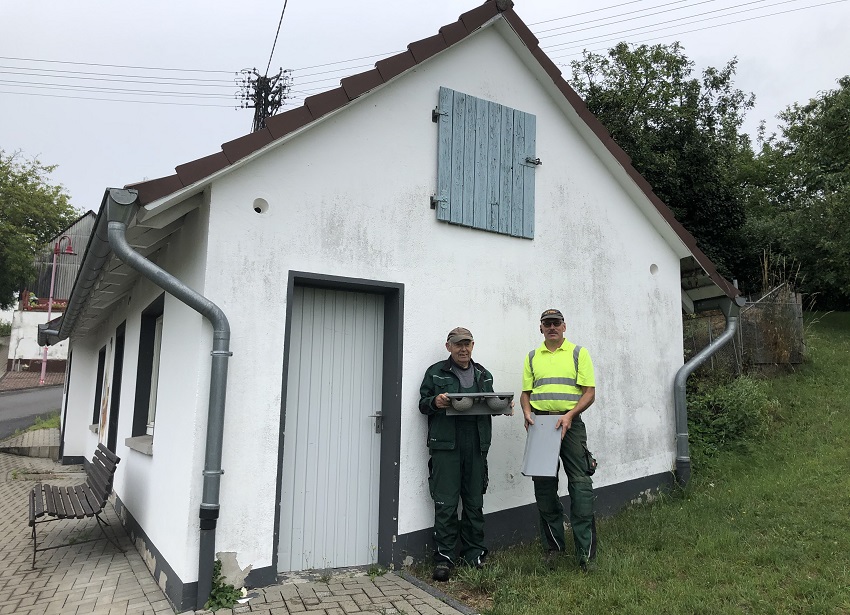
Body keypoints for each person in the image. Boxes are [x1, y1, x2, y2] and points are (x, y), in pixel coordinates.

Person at [419, 326, 501, 582]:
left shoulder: (483, 374)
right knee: (445, 503)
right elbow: (422, 404)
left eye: (467, 344)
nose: (463, 349)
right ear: (449, 347)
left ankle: (474, 553)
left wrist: (502, 407)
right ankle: (444, 558)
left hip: (476, 445)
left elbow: (490, 404)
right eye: (458, 344)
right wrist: (436, 402)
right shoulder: (435, 373)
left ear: (472, 346)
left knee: (474, 501)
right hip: (446, 446)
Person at [520, 309, 598, 571]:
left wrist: (570, 415)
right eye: (547, 324)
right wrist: (527, 413)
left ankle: (585, 555)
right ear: (540, 328)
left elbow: (589, 393)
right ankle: (553, 548)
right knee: (544, 488)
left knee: (581, 486)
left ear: (564, 326)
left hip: (571, 425)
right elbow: (525, 394)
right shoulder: (532, 357)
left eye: (556, 323)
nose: (552, 327)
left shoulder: (579, 353)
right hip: (541, 426)